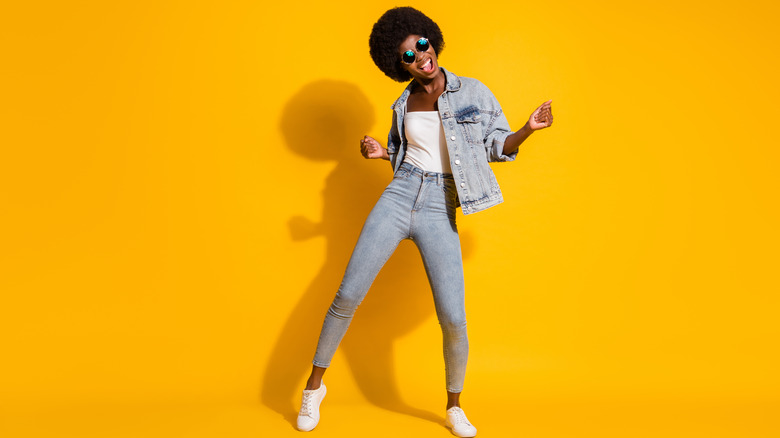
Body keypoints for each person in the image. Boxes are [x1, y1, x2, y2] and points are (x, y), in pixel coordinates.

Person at [295, 6, 553, 437]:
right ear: (398, 67)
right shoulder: (403, 102)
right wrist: (383, 154)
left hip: (441, 204)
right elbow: (407, 156)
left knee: (453, 316)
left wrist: (527, 129)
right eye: (407, 56)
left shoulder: (473, 91)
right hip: (399, 196)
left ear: (432, 40)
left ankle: (454, 406)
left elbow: (495, 146)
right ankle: (313, 388)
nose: (420, 56)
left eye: (421, 44)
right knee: (347, 293)